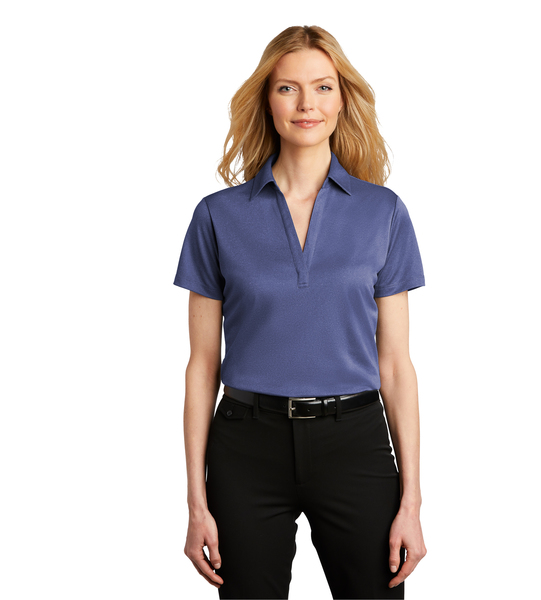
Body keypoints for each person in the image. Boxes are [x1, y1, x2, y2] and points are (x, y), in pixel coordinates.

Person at [174, 25, 427, 600]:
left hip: (355, 442)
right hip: (246, 448)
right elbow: (201, 365)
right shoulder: (218, 216)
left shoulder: (383, 213)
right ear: (267, 100)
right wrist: (196, 501)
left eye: (323, 87)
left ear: (342, 100)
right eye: (288, 88)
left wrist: (411, 501)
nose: (307, 104)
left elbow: (395, 366)